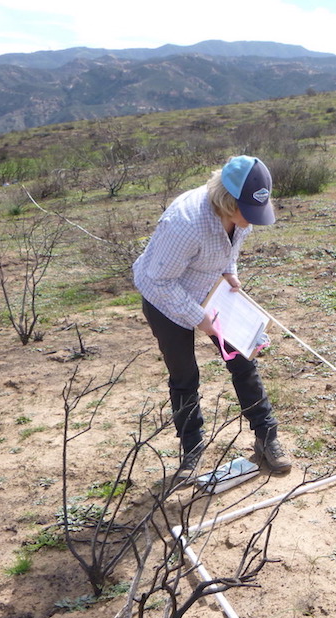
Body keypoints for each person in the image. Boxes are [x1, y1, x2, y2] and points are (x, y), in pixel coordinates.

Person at [132, 155, 291, 477]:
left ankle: (266, 437)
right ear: (226, 202)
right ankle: (191, 450)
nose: (252, 220)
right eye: (248, 212)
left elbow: (227, 251)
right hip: (165, 299)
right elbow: (157, 280)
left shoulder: (239, 214)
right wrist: (198, 317)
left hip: (210, 290)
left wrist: (229, 273)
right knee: (184, 376)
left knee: (243, 362)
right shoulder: (184, 223)